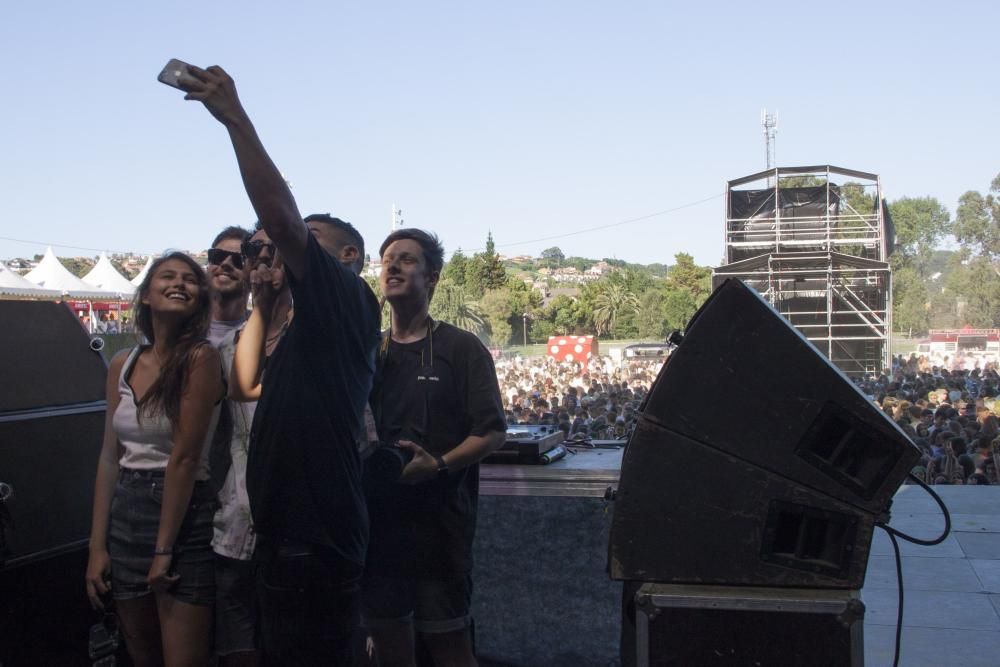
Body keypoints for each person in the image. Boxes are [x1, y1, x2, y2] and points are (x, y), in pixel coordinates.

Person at [177, 65, 381, 665]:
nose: (281, 249)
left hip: (314, 541)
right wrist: (264, 305)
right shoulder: (301, 330)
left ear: (348, 256)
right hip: (287, 536)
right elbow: (242, 385)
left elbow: (284, 219)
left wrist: (235, 118)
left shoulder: (349, 298)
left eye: (306, 241)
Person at [364, 228, 506, 667]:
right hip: (378, 526)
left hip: (440, 528)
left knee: (449, 645)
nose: (392, 266)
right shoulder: (370, 350)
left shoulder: (461, 349)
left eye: (407, 259)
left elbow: (492, 432)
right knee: (390, 645)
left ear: (433, 278)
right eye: (388, 259)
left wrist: (439, 464)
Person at [85, 252, 225, 666]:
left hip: (183, 515)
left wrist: (164, 548)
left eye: (190, 279)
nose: (179, 283)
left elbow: (184, 457)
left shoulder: (202, 357)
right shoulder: (121, 364)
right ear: (146, 295)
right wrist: (97, 547)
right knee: (141, 655)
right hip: (126, 510)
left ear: (200, 298)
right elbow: (110, 458)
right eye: (167, 276)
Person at [210, 226, 285, 667]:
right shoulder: (219, 348)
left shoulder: (307, 336)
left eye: (249, 256)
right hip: (230, 516)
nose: (234, 264)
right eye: (216, 255)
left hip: (289, 523)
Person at [207, 225, 252, 345]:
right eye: (218, 256)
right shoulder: (180, 324)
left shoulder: (264, 332)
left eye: (239, 260)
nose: (226, 263)